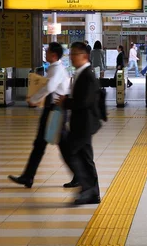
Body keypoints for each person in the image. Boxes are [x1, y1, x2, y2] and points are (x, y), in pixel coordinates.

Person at [8, 42, 70, 189]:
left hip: (56, 111)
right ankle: (28, 176)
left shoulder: (57, 69)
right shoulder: (54, 68)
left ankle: (80, 176)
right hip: (52, 110)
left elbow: (49, 87)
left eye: (47, 52)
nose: (45, 54)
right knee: (41, 144)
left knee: (63, 146)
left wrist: (34, 100)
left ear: (53, 55)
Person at [59, 42, 103, 205]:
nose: (71, 57)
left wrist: (66, 102)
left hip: (85, 123)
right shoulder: (80, 73)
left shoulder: (87, 75)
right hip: (81, 122)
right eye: (70, 54)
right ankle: (90, 191)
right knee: (83, 156)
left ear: (84, 56)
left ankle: (89, 190)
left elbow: (84, 101)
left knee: (74, 152)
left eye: (74, 54)